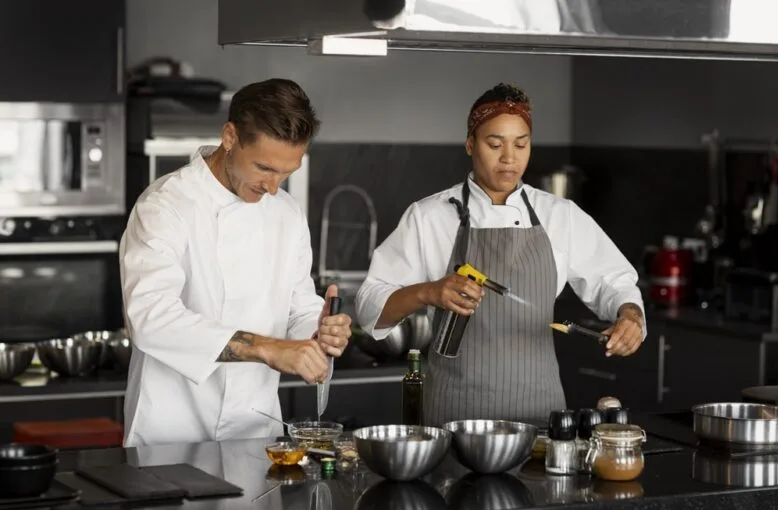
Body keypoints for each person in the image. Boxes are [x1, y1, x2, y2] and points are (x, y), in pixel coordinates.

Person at [355, 83, 645, 426]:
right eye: (495, 144)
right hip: (454, 416)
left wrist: (630, 316)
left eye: (521, 144)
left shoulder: (559, 215)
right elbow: (369, 305)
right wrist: (428, 292)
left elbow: (614, 281)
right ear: (469, 144)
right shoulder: (430, 216)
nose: (509, 157)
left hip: (539, 415)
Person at [119, 79, 351, 446]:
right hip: (171, 429)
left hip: (256, 429)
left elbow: (298, 306)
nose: (273, 188)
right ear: (230, 137)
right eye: (264, 168)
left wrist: (318, 331)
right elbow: (149, 319)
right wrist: (266, 348)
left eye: (286, 173)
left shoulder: (286, 214)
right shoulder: (165, 206)